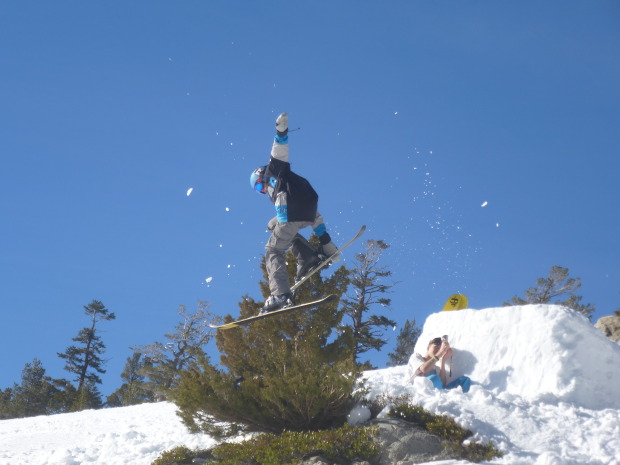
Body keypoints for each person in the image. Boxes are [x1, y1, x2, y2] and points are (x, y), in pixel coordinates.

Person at [250, 113, 339, 313]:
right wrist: (326, 242)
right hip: (307, 209)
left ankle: (280, 294)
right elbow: (314, 216)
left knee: (273, 250)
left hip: (292, 212)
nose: (262, 192)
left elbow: (279, 152)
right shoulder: (289, 184)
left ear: (261, 177)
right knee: (272, 225)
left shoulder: (274, 173)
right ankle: (307, 255)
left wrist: (280, 132)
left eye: (258, 187)